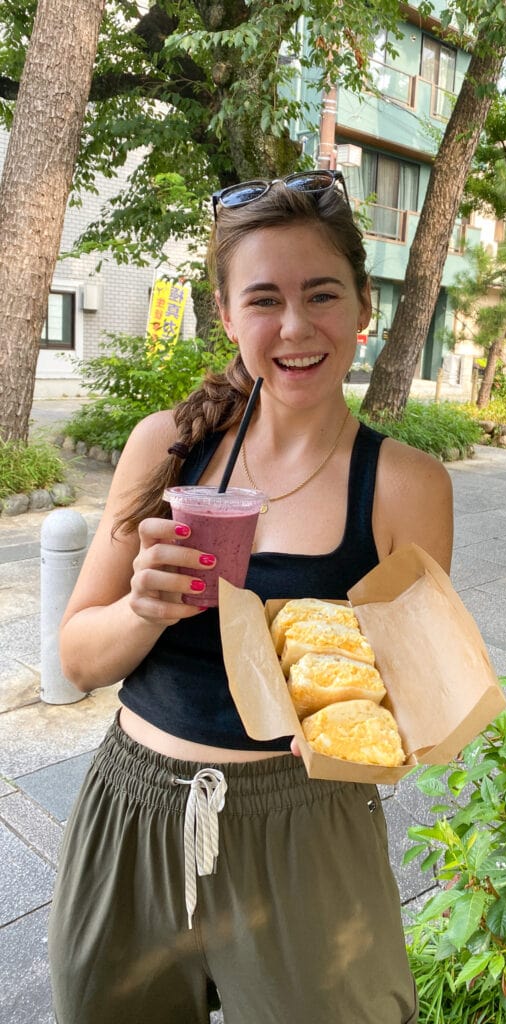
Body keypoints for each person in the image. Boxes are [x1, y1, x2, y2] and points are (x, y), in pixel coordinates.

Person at [48, 169, 453, 1024]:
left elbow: (412, 703)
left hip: (307, 830)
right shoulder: (167, 446)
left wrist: (377, 729)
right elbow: (77, 658)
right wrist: (142, 609)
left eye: (322, 295)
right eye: (264, 299)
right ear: (227, 315)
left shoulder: (406, 486)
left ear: (364, 309)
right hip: (134, 816)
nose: (296, 327)